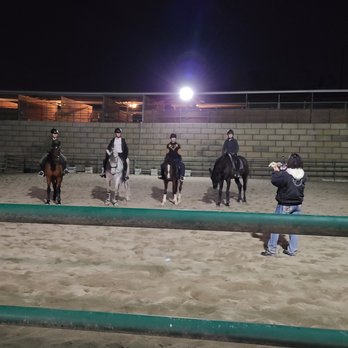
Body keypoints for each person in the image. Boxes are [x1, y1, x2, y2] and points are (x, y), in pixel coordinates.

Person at [261, 153, 307, 257]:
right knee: (293, 227)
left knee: (276, 227)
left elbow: (275, 180)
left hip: (284, 204)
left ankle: (271, 250)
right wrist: (282, 167)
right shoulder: (304, 175)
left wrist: (276, 169)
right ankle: (292, 250)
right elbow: (290, 173)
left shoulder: (286, 175)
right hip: (297, 204)